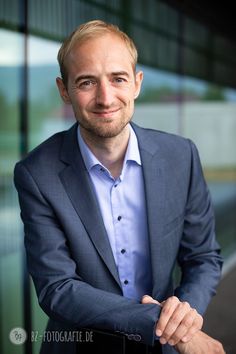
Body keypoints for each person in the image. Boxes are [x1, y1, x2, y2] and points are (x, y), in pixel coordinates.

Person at [14, 20, 225, 354]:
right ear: (64, 89)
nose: (105, 97)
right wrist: (165, 327)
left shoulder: (180, 156)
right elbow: (57, 287)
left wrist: (181, 321)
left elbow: (202, 257)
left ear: (137, 84)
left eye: (118, 78)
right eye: (86, 82)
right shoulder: (37, 173)